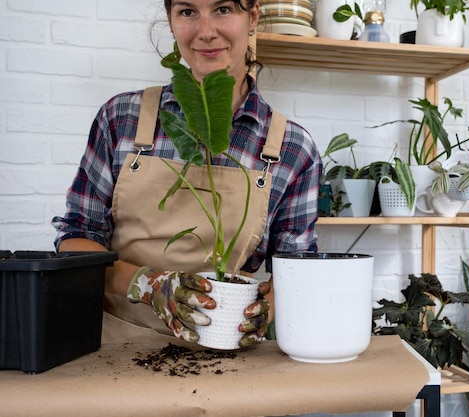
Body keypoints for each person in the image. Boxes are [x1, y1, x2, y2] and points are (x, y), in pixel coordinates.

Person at [52, 0, 321, 347]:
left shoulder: (293, 148)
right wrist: (150, 285)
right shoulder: (122, 119)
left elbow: (298, 275)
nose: (206, 32)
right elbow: (74, 241)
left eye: (223, 9)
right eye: (188, 11)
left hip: (225, 356)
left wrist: (262, 312)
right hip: (113, 352)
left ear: (252, 17)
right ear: (170, 19)